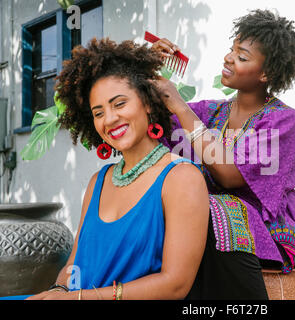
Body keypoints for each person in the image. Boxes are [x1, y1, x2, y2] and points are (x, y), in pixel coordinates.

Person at [151, 9, 295, 300]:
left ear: (266, 74)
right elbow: (152, 121)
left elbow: (231, 175)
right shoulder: (211, 113)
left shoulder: (284, 121)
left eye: (242, 57)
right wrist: (148, 68)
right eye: (232, 50)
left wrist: (181, 107)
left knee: (219, 210)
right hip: (204, 220)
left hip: (267, 226)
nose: (228, 58)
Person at [1, 38, 211, 300]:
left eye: (119, 104)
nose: (109, 119)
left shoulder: (181, 178)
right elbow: (73, 264)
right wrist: (57, 291)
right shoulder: (99, 180)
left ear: (147, 103)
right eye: (98, 113)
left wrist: (79, 298)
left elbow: (175, 285)